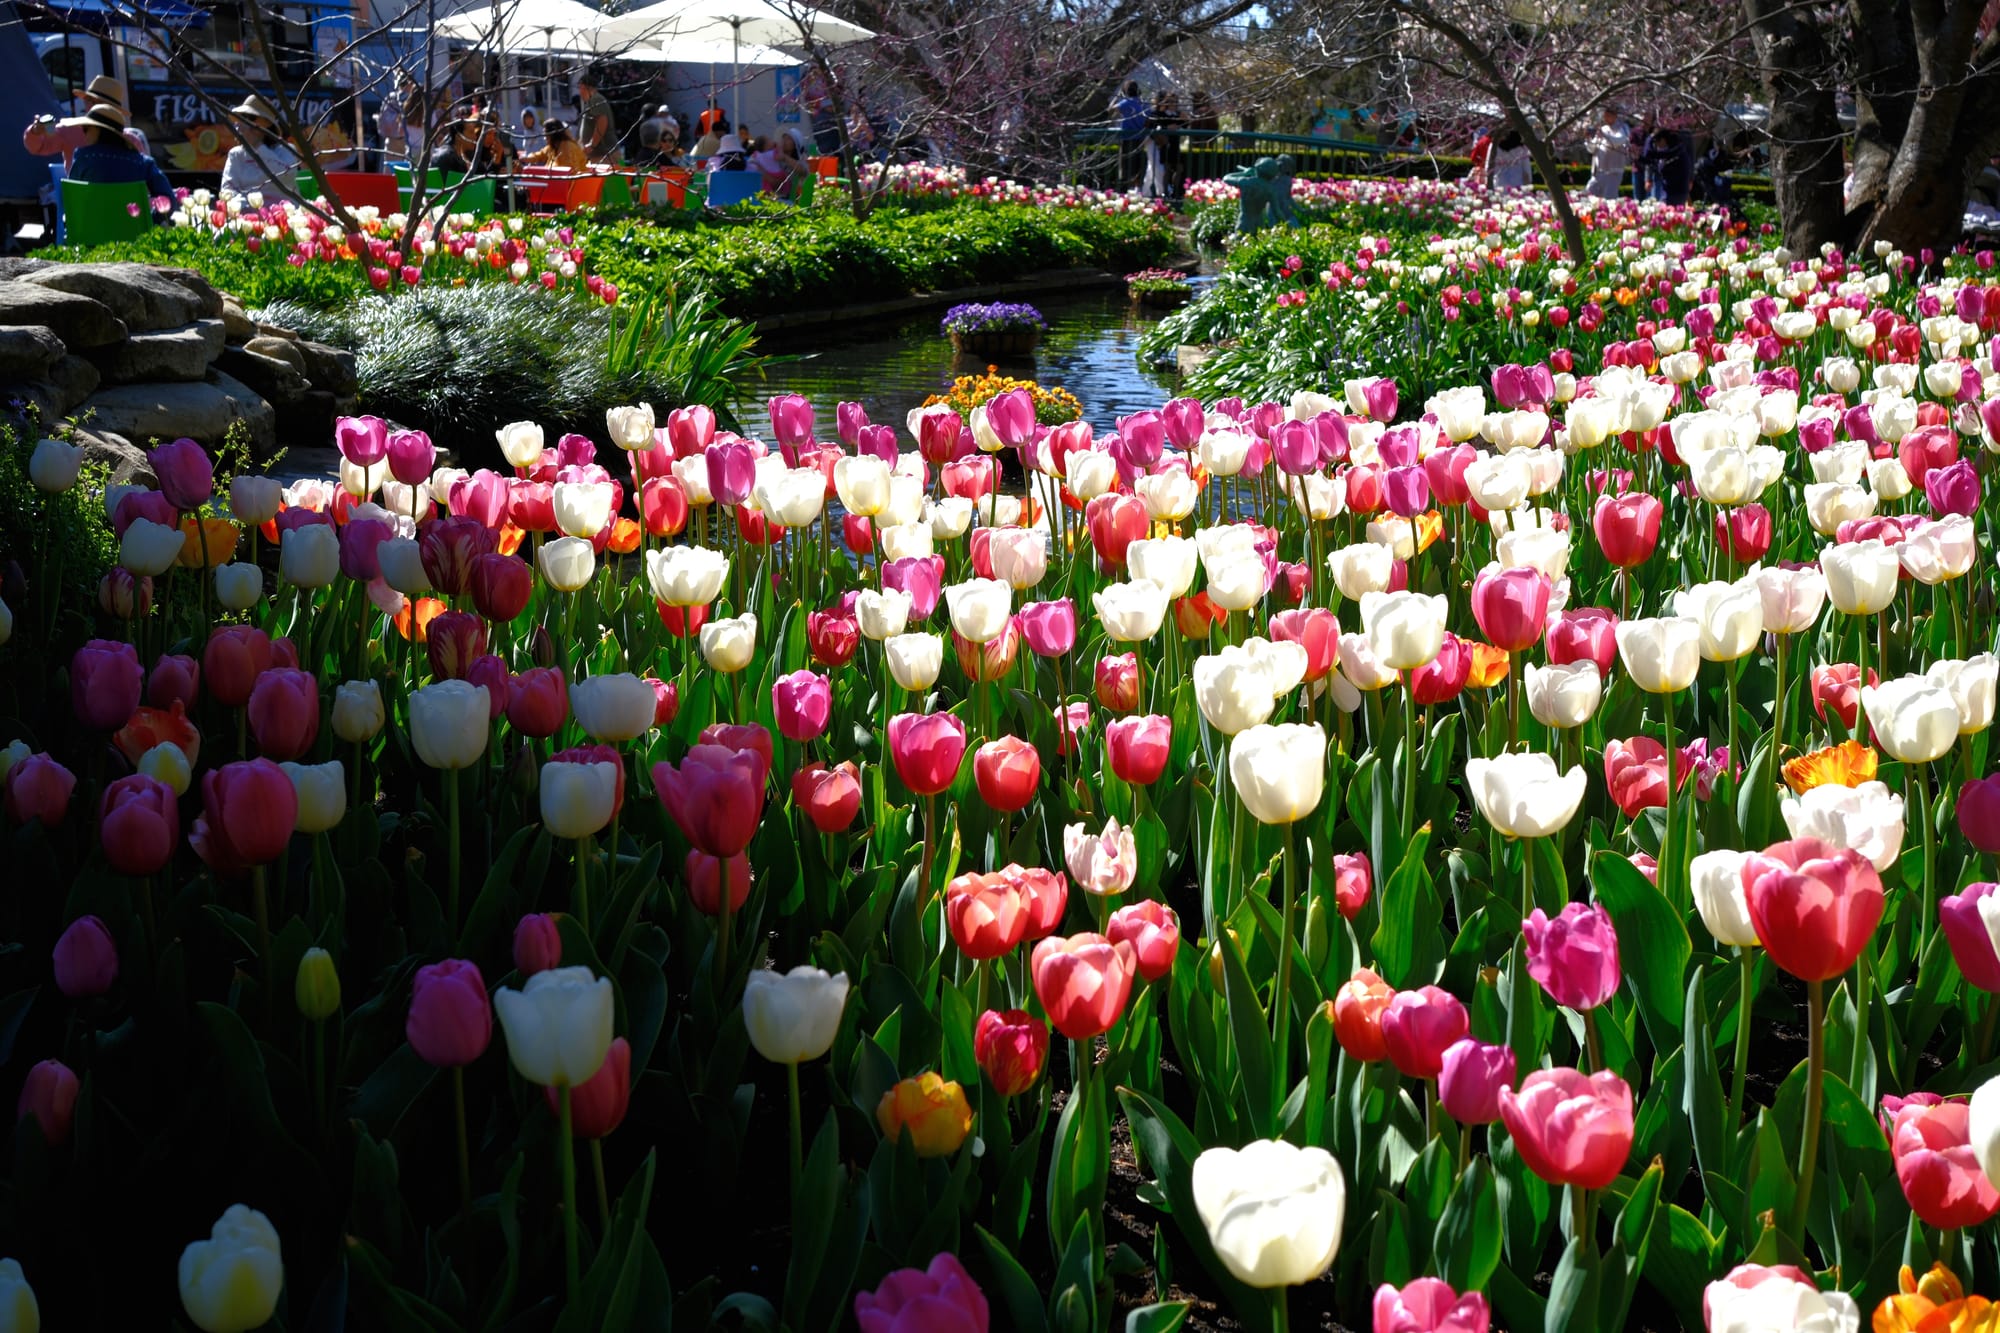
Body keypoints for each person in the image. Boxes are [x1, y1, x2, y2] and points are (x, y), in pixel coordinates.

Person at [57, 102, 173, 211]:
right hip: (134, 231)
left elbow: (70, 200)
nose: (84, 134)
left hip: (91, 231)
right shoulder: (143, 163)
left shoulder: (83, 156)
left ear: (98, 130)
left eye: (86, 129)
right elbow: (169, 202)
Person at [219, 95, 300, 204]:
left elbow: (284, 176)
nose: (241, 123)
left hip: (283, 215)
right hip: (247, 216)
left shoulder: (287, 150)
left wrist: (258, 146)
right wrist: (249, 207)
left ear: (267, 124)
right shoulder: (236, 155)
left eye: (251, 118)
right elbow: (228, 191)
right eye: (242, 117)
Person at [1142, 90, 1183, 199]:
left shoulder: (1175, 114)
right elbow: (1151, 126)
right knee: (1159, 168)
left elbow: (1185, 122)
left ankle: (1148, 191)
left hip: (1169, 143)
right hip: (1156, 142)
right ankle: (1163, 191)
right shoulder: (1156, 113)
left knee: (1155, 168)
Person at [1584, 107, 1630, 199]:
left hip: (1613, 171)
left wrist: (1604, 135)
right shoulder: (1603, 128)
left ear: (1614, 116)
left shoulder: (1622, 128)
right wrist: (1588, 139)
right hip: (1599, 171)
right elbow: (1592, 149)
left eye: (1608, 115)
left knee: (1609, 198)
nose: (1605, 118)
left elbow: (1617, 141)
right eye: (1605, 116)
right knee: (1589, 193)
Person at [1642, 126, 1693, 204]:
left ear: (1663, 140)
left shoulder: (1676, 151)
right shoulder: (1669, 150)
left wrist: (1650, 138)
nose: (1656, 145)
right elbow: (1648, 157)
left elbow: (1648, 153)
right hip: (1668, 191)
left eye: (1656, 142)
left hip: (1676, 193)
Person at [1112, 79, 1146, 192]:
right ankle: (1137, 188)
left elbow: (1111, 110)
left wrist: (1117, 98)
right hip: (1140, 138)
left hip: (1127, 138)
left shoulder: (1125, 103)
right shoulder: (1142, 103)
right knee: (1137, 164)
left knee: (1125, 165)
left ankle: (1124, 189)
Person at [577, 69, 616, 163]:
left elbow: (602, 121)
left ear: (585, 87)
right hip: (600, 156)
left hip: (606, 156)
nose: (579, 92)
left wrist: (592, 144)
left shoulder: (596, 99)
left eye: (580, 88)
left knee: (614, 178)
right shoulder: (592, 101)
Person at [523, 118, 588, 171]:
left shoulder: (567, 148)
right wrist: (525, 158)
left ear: (553, 134)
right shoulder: (552, 147)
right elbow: (539, 155)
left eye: (546, 135)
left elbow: (569, 172)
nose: (544, 138)